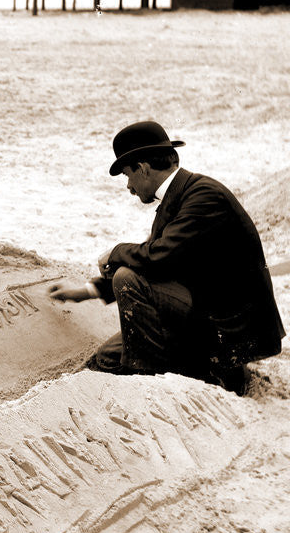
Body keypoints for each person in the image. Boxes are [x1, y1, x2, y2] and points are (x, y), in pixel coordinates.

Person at [48, 121, 284, 394]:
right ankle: (186, 368)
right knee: (107, 359)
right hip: (206, 315)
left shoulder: (204, 196)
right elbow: (154, 261)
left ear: (144, 168)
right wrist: (86, 291)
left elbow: (155, 258)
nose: (129, 187)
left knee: (126, 279)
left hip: (229, 334)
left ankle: (151, 381)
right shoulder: (182, 196)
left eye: (128, 175)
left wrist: (116, 251)